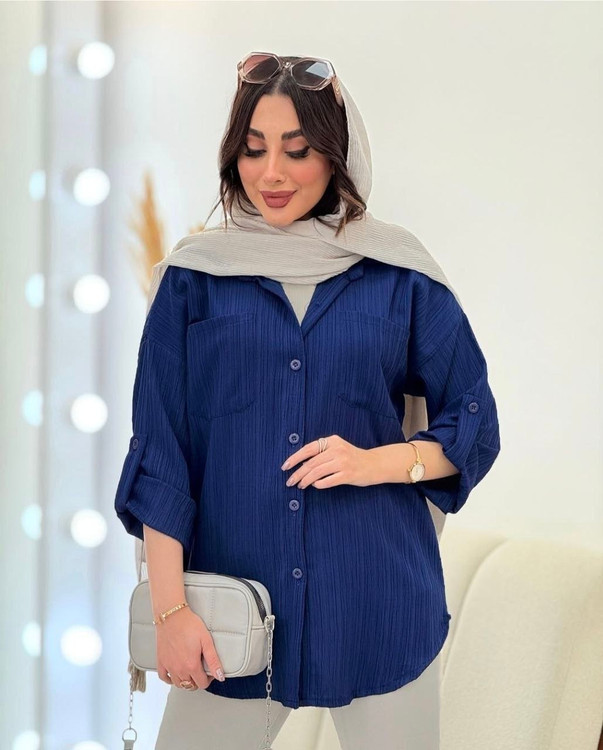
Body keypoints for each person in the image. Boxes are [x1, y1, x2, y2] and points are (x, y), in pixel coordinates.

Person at [114, 51, 501, 750]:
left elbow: (473, 420)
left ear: (337, 154)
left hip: (378, 608)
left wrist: (376, 462)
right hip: (228, 622)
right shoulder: (192, 280)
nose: (271, 173)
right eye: (253, 149)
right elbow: (160, 455)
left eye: (297, 151)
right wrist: (170, 612)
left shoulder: (399, 275)